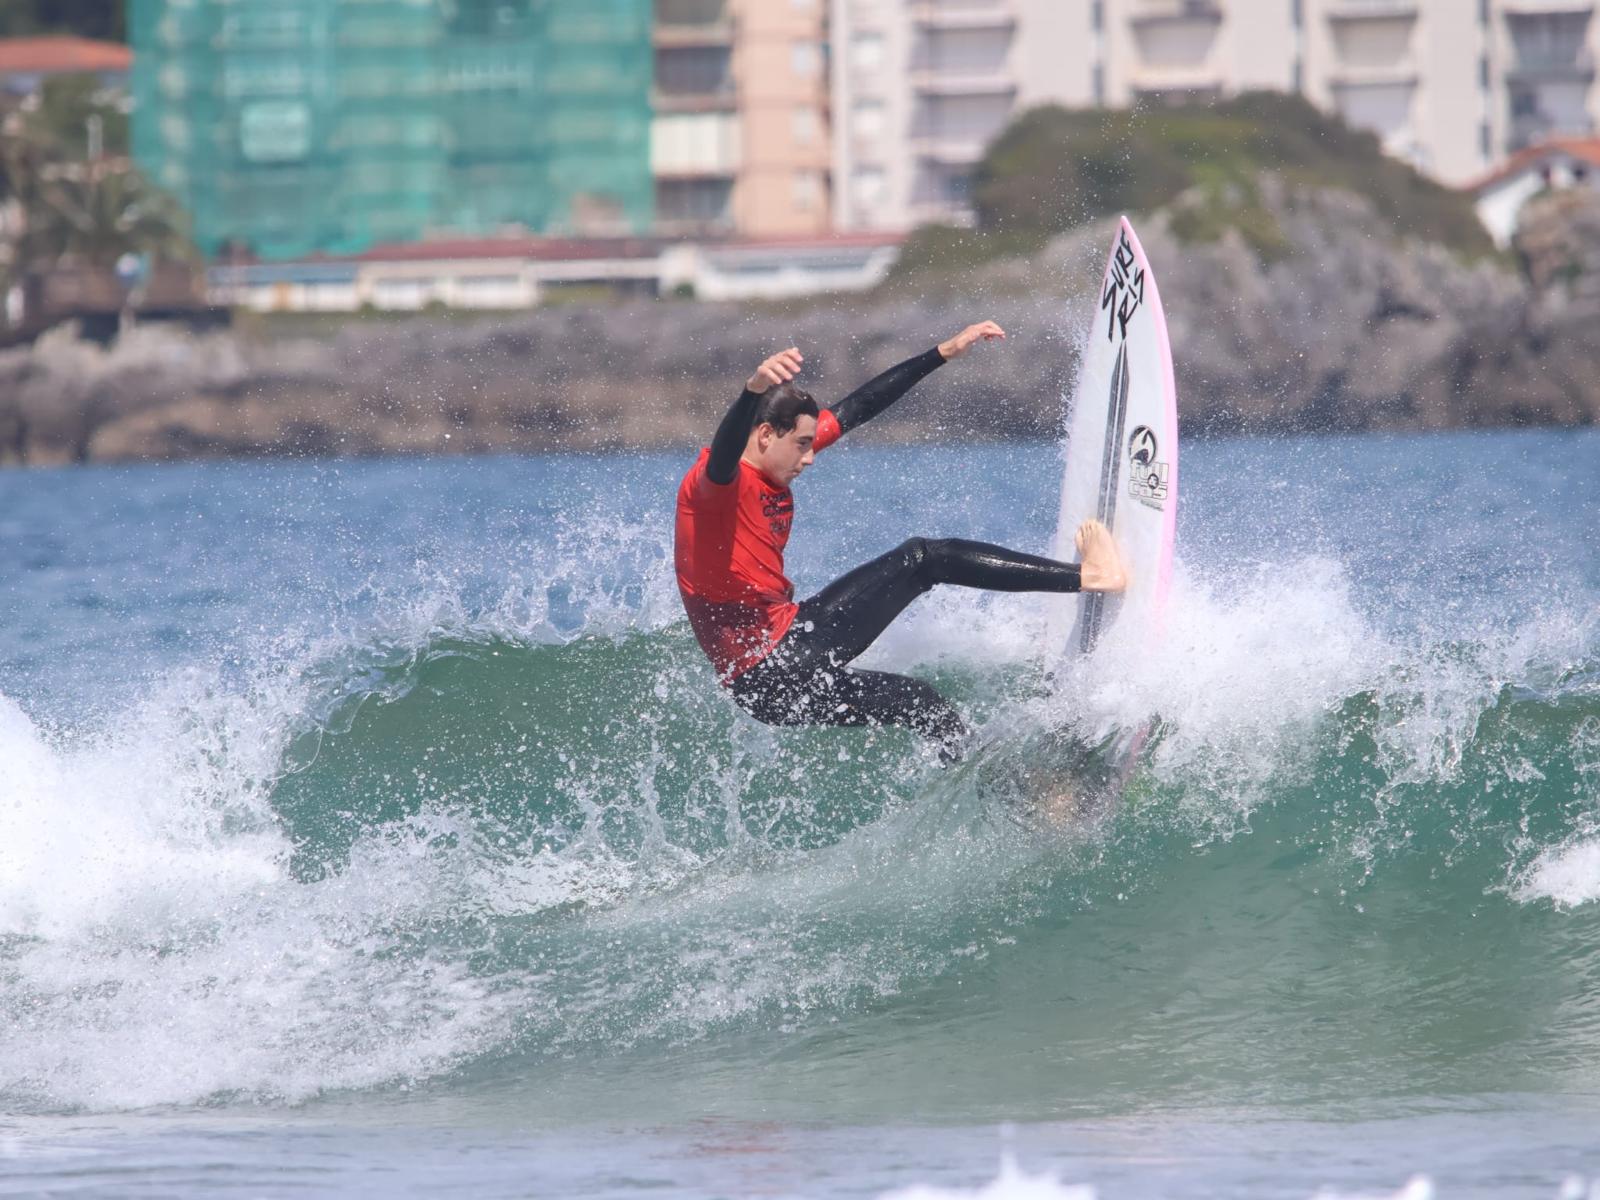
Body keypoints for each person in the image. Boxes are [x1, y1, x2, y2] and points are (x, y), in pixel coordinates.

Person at [674, 321, 1127, 763]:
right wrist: (751, 392)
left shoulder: (772, 461)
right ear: (767, 434)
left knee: (919, 703)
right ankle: (1093, 575)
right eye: (803, 445)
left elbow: (859, 406)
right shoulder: (713, 487)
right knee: (926, 558)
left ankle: (990, 783)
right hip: (784, 657)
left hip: (760, 691)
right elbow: (726, 449)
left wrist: (940, 354)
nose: (811, 458)